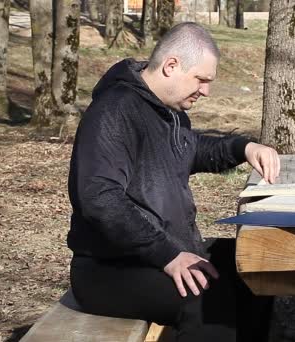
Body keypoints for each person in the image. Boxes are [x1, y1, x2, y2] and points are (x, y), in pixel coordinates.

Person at [66, 22, 281, 341]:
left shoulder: (170, 114)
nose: (206, 90)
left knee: (252, 267)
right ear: (171, 66)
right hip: (109, 267)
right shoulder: (114, 111)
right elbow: (101, 199)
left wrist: (244, 147)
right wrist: (167, 254)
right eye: (201, 79)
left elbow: (193, 150)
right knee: (207, 298)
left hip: (163, 250)